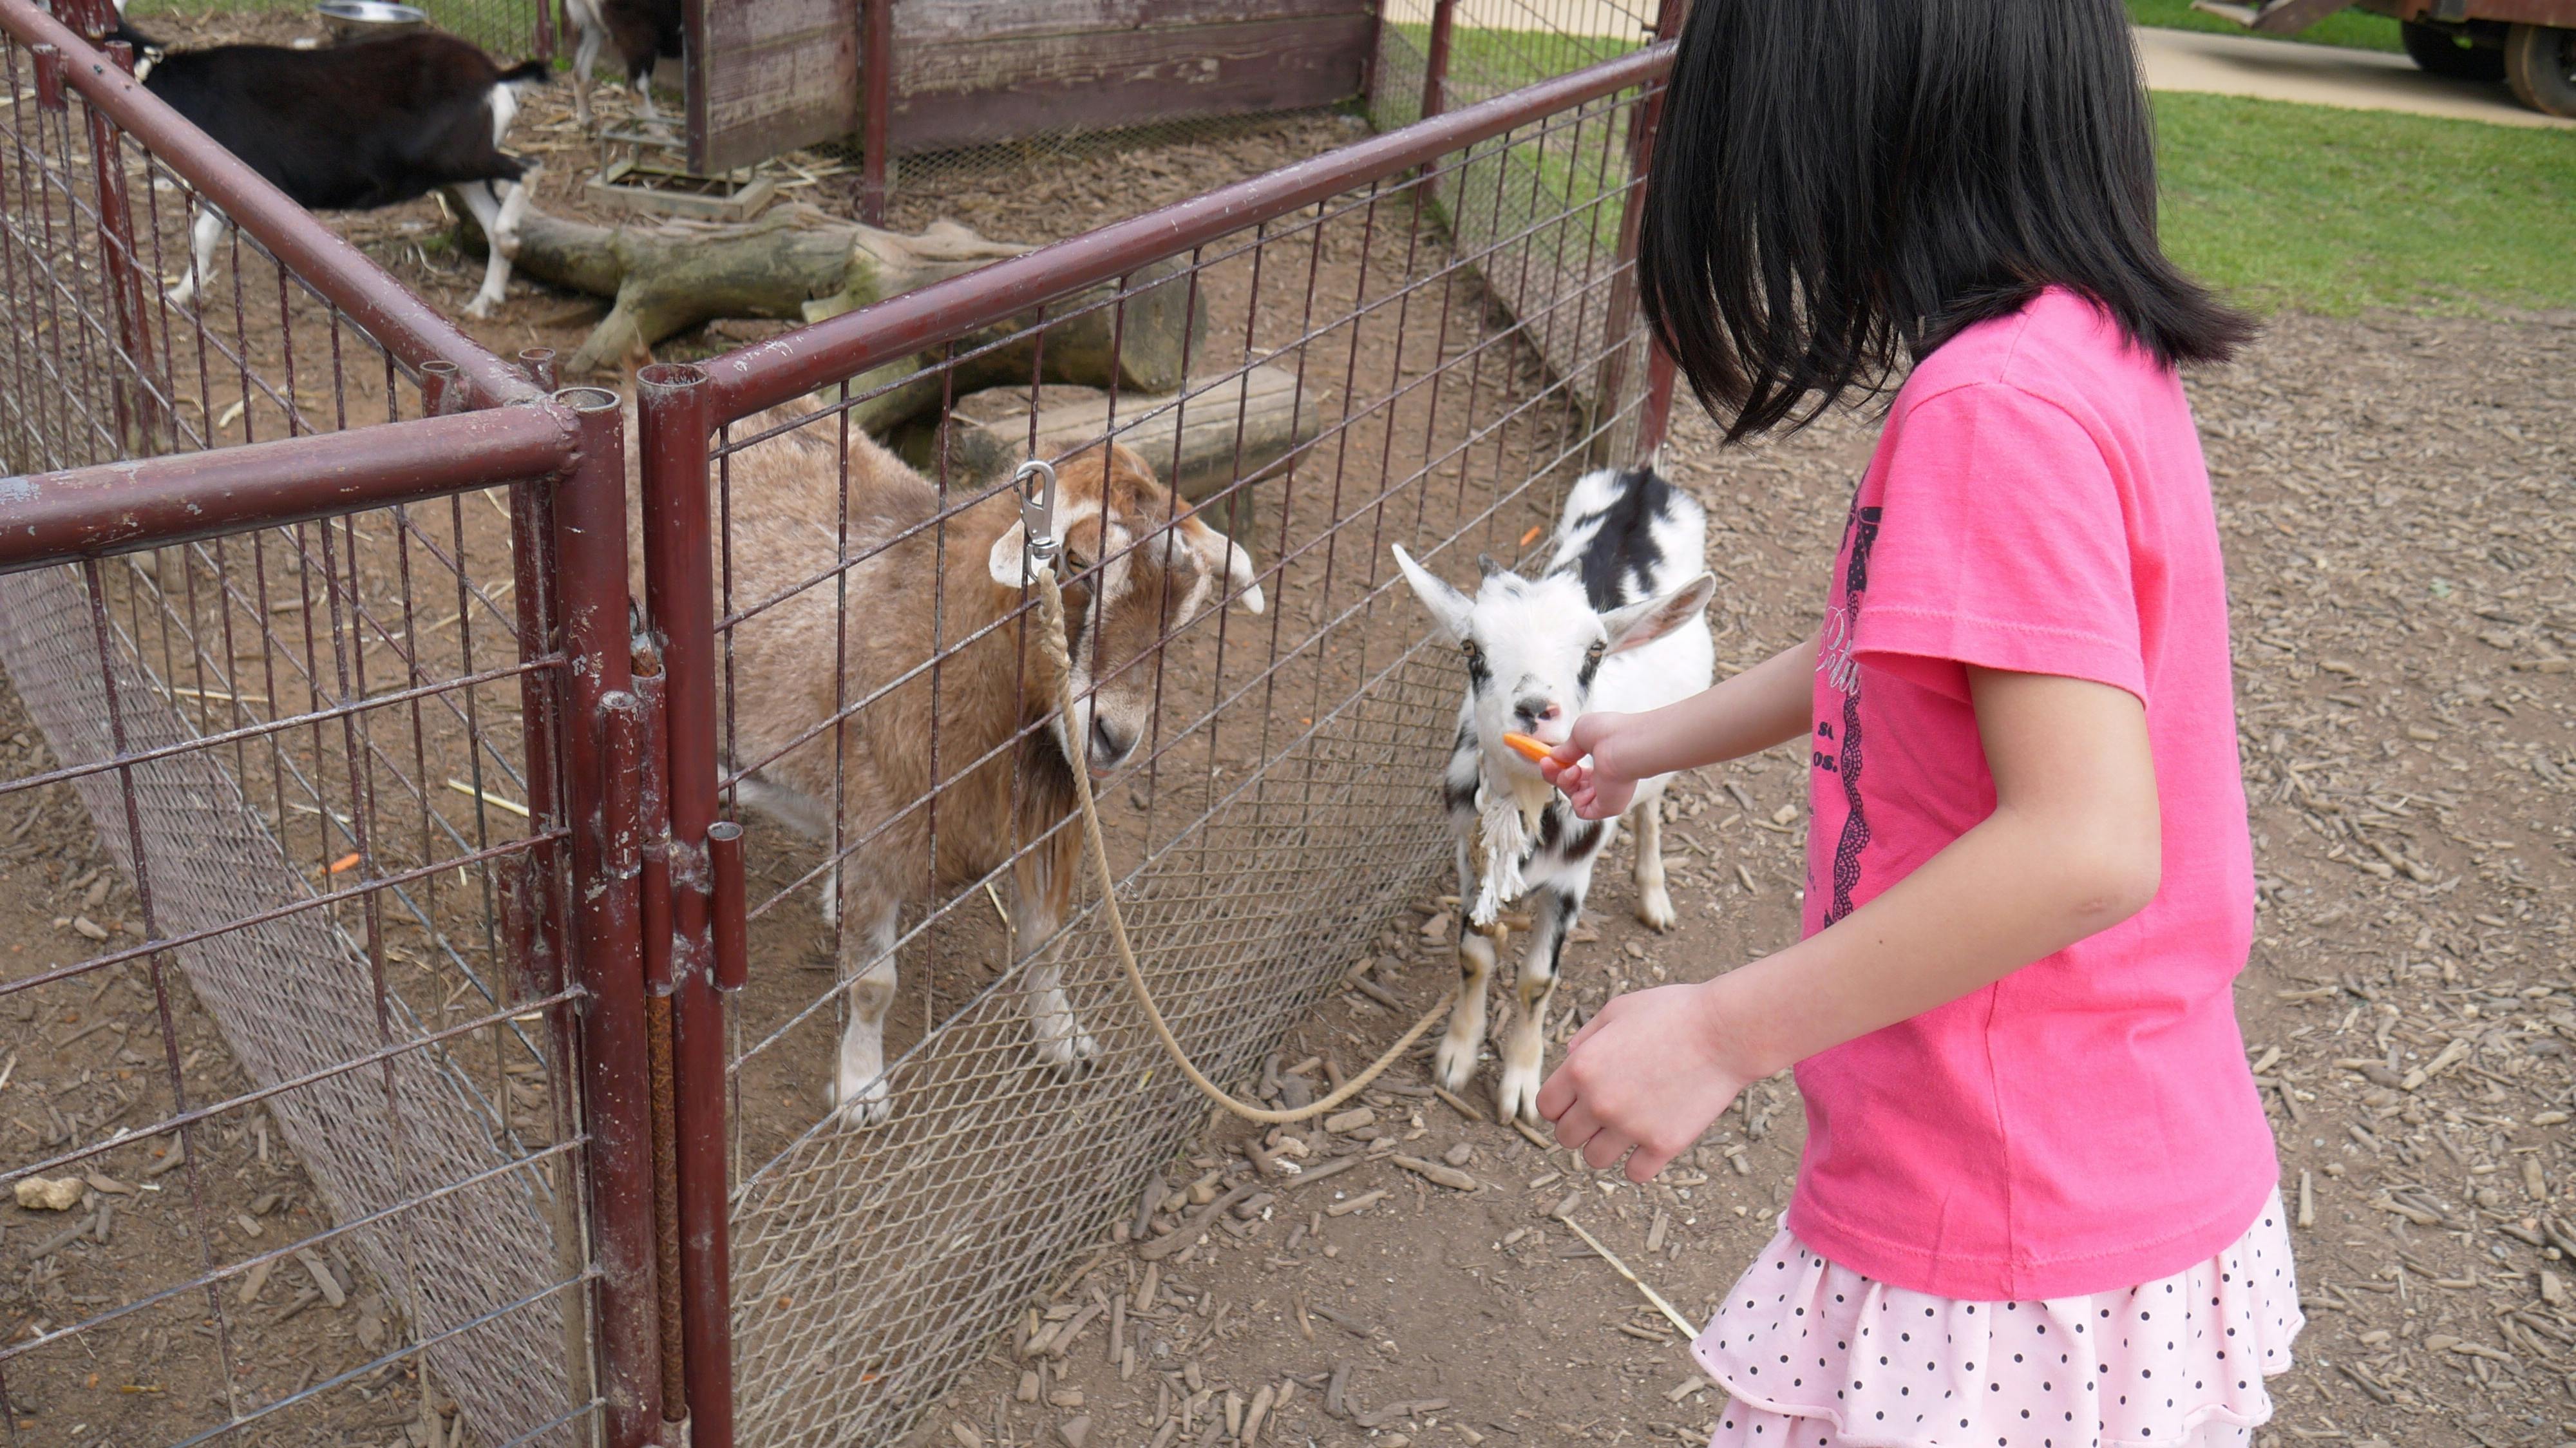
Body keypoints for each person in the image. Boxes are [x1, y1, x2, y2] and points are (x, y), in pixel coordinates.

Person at [1532, 3, 2299, 1443]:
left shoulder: (1990, 406)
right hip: (2122, 1158)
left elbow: (2083, 842)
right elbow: (1885, 651)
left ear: (1857, 128)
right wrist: (1646, 735)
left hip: (1996, 1214)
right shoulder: (2089, 351)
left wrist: (1716, 1027)